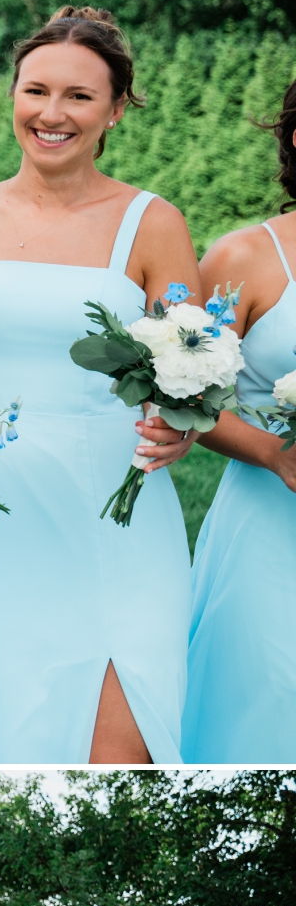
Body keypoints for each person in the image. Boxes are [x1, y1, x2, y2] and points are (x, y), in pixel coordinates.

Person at [0, 6, 202, 764]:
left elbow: (192, 368)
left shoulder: (153, 223)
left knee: (122, 747)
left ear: (115, 109)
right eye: (35, 90)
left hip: (112, 512)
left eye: (79, 96)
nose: (52, 114)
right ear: (12, 95)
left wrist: (181, 424)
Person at [183, 78, 296, 763]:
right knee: (269, 692)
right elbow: (185, 399)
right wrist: (276, 455)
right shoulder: (244, 258)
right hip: (267, 524)